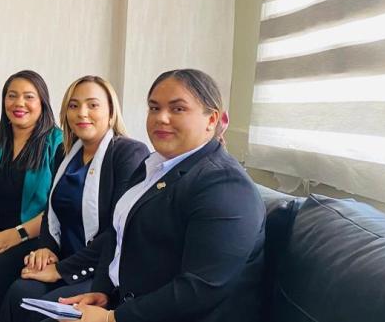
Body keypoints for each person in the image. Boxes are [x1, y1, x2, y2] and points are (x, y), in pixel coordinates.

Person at [58, 69, 265, 322]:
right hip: (126, 301)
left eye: (177, 109)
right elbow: (117, 234)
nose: (161, 118)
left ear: (212, 120)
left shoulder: (225, 185)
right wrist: (102, 291)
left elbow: (200, 290)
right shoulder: (153, 166)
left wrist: (112, 318)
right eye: (154, 108)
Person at [0, 76, 149, 322]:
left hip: (101, 269)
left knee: (37, 309)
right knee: (19, 292)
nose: (82, 113)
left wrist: (59, 270)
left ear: (111, 112)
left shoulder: (128, 153)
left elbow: (117, 229)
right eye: (74, 105)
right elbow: (51, 210)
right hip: (64, 255)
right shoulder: (65, 152)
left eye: (93, 105)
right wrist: (46, 248)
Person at [0, 70, 63, 321]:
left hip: (33, 235)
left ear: (42, 103)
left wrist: (16, 235)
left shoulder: (57, 142)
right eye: (12, 96)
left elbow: (57, 205)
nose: (19, 103)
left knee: (2, 271)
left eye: (29, 97)